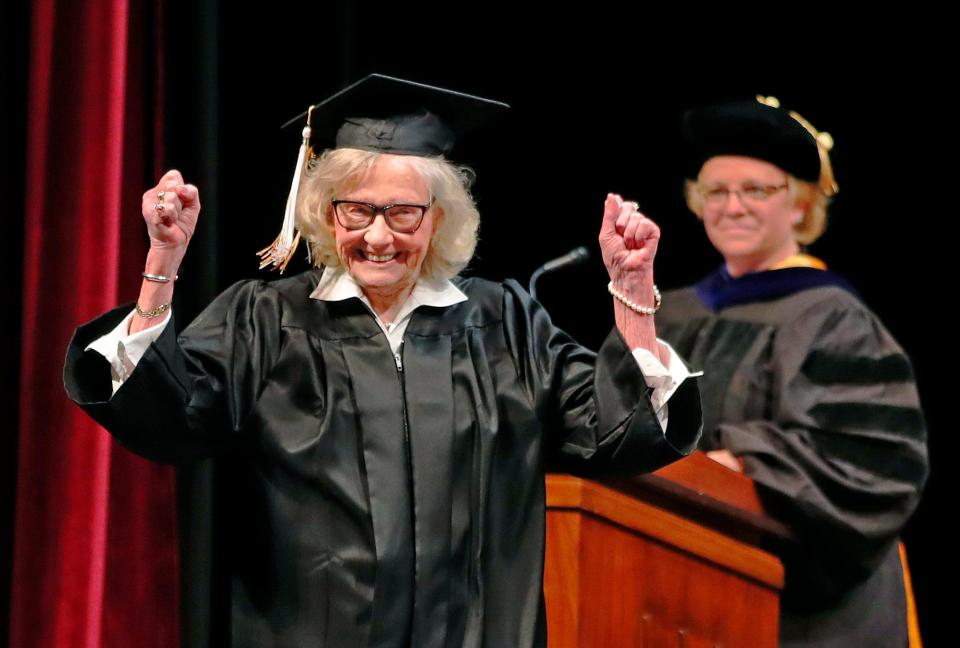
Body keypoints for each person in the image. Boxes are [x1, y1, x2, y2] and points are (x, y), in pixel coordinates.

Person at [64, 74, 701, 647]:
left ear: (440, 218)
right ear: (325, 211)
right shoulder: (265, 319)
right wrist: (161, 269)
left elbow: (614, 433)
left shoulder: (504, 322)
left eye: (402, 213)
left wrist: (634, 302)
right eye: (358, 210)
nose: (376, 236)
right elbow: (169, 415)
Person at [655, 96, 927, 647]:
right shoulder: (670, 311)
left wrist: (738, 463)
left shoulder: (832, 318)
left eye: (756, 190)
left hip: (807, 617)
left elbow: (867, 459)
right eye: (716, 191)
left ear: (801, 205)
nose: (732, 207)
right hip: (673, 588)